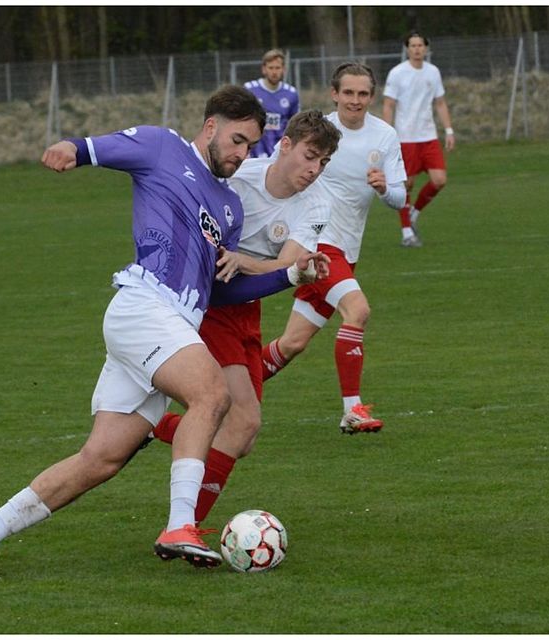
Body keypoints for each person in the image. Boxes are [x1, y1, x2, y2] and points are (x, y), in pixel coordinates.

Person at [0, 86, 327, 580]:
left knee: (102, 459)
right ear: (210, 126)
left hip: (174, 321)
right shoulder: (161, 146)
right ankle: (179, 526)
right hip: (144, 305)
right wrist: (69, 149)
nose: (240, 154)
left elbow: (222, 292)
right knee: (212, 394)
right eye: (236, 140)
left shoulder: (230, 207)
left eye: (249, 146)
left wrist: (290, 276)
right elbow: (94, 148)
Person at [149, 109, 341, 525]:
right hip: (214, 304)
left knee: (243, 436)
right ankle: (184, 527)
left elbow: (286, 266)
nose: (315, 169)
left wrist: (245, 260)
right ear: (285, 145)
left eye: (323, 162)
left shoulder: (319, 202)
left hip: (249, 308)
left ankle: (154, 425)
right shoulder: (238, 177)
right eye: (310, 155)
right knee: (243, 419)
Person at [260, 62, 407, 434]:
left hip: (347, 252)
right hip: (320, 246)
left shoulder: (385, 136)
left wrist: (384, 188)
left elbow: (400, 197)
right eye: (348, 93)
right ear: (334, 94)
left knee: (292, 344)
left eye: (362, 94)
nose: (355, 101)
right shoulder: (319, 134)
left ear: (371, 97)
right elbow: (280, 169)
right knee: (357, 310)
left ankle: (224, 389)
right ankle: (352, 409)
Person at [382, 31, 455, 248]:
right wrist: (388, 134)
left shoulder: (433, 72)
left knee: (439, 180)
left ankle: (413, 213)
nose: (416, 49)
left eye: (420, 45)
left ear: (426, 48)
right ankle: (406, 232)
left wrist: (449, 130)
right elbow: (388, 105)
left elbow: (440, 103)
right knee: (407, 184)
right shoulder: (397, 73)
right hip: (406, 138)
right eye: (412, 45)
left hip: (429, 136)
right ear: (407, 48)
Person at [244, 49, 300, 159]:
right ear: (264, 69)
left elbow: (295, 125)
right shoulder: (250, 89)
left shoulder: (291, 93)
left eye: (277, 68)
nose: (274, 72)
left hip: (279, 152)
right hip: (255, 151)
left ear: (283, 69)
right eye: (271, 68)